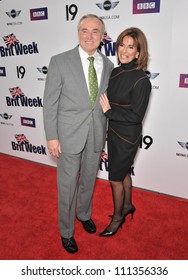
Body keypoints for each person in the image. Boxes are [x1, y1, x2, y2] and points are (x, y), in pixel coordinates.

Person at [43, 14, 113, 253]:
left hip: (95, 134)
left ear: (102, 36)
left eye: (95, 31)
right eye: (85, 30)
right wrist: (52, 137)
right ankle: (66, 231)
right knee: (67, 186)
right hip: (68, 136)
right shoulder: (60, 61)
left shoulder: (109, 65)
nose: (89, 35)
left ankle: (83, 214)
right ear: (78, 32)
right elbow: (50, 103)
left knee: (88, 183)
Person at [99, 27, 151, 237]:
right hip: (113, 132)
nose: (125, 50)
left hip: (127, 137)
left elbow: (136, 116)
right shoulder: (116, 71)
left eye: (131, 47)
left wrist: (110, 112)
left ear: (139, 52)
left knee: (114, 178)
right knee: (124, 173)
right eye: (122, 45)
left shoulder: (142, 80)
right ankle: (128, 205)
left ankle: (118, 217)